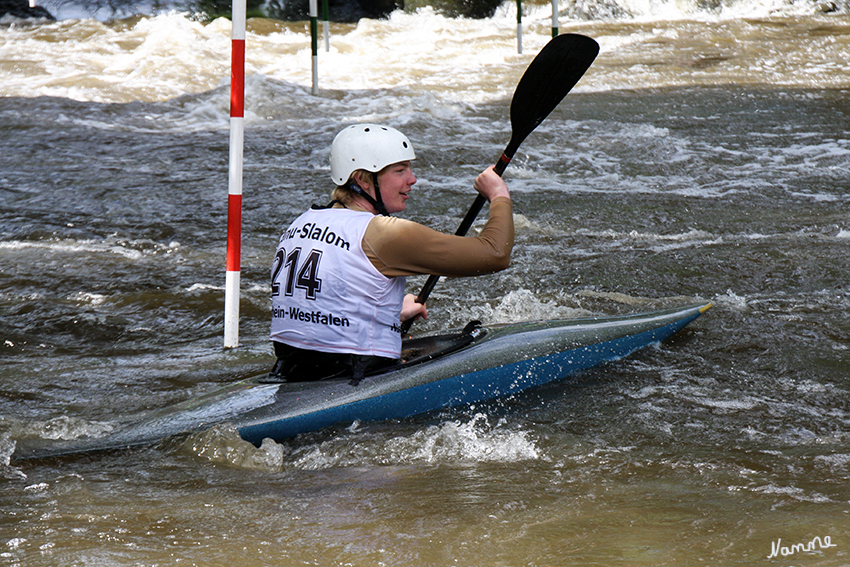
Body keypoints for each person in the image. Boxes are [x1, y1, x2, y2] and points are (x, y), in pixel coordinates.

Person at [267, 123, 513, 384]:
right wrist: (498, 195)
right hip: (355, 374)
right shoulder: (384, 234)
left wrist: (388, 314)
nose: (412, 179)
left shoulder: (301, 222)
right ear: (361, 179)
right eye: (400, 170)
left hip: (292, 371)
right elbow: (495, 253)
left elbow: (320, 307)